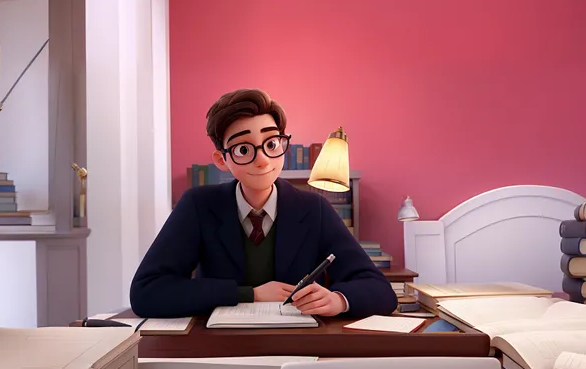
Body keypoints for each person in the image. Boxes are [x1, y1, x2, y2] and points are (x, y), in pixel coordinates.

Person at [130, 88, 398, 319]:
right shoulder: (198, 205)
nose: (262, 160)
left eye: (271, 143)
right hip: (220, 348)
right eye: (244, 149)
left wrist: (338, 300)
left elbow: (379, 290)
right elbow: (147, 292)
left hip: (298, 347)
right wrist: (250, 294)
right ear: (222, 159)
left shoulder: (314, 208)